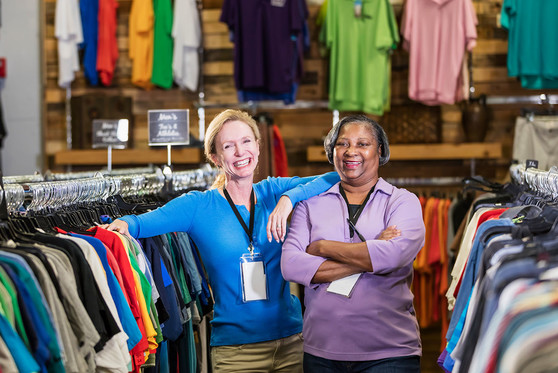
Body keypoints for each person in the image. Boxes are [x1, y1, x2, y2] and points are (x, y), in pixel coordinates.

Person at [102, 109, 339, 372]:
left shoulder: (274, 191)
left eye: (246, 141)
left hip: (292, 342)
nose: (240, 152)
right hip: (235, 353)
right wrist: (117, 226)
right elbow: (139, 223)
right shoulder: (199, 206)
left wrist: (289, 199)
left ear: (258, 148)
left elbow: (336, 178)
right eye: (229, 146)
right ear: (215, 157)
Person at [281, 115, 425, 373]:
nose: (351, 152)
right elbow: (291, 265)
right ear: (332, 150)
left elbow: (393, 256)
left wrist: (322, 247)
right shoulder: (309, 204)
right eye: (342, 144)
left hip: (390, 354)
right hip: (320, 351)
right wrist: (372, 251)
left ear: (379, 150)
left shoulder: (403, 202)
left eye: (362, 144)